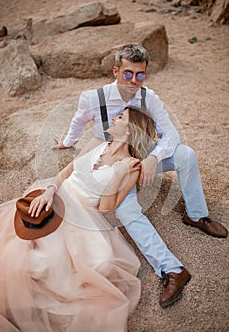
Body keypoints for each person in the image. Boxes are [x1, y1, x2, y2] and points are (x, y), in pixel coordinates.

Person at [52, 43, 228, 308]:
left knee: (186, 155)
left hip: (145, 155)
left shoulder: (149, 98)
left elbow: (171, 134)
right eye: (128, 73)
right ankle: (173, 270)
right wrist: (67, 142)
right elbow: (79, 121)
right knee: (127, 211)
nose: (134, 81)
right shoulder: (92, 98)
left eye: (140, 74)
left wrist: (152, 158)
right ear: (116, 71)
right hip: (115, 164)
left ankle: (196, 215)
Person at [0, 107, 159, 332]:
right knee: (19, 248)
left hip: (84, 214)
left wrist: (119, 173)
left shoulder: (132, 166)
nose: (114, 117)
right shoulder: (98, 143)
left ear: (130, 131)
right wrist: (49, 192)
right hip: (57, 196)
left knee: (70, 265)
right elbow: (66, 172)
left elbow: (105, 207)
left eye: (121, 117)